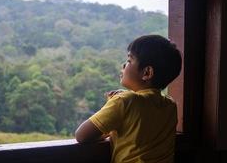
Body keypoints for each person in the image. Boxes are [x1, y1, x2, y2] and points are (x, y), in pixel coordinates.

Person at [75, 34, 182, 163]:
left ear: (147, 73)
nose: (124, 65)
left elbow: (82, 135)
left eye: (129, 60)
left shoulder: (124, 101)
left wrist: (118, 105)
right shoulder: (170, 105)